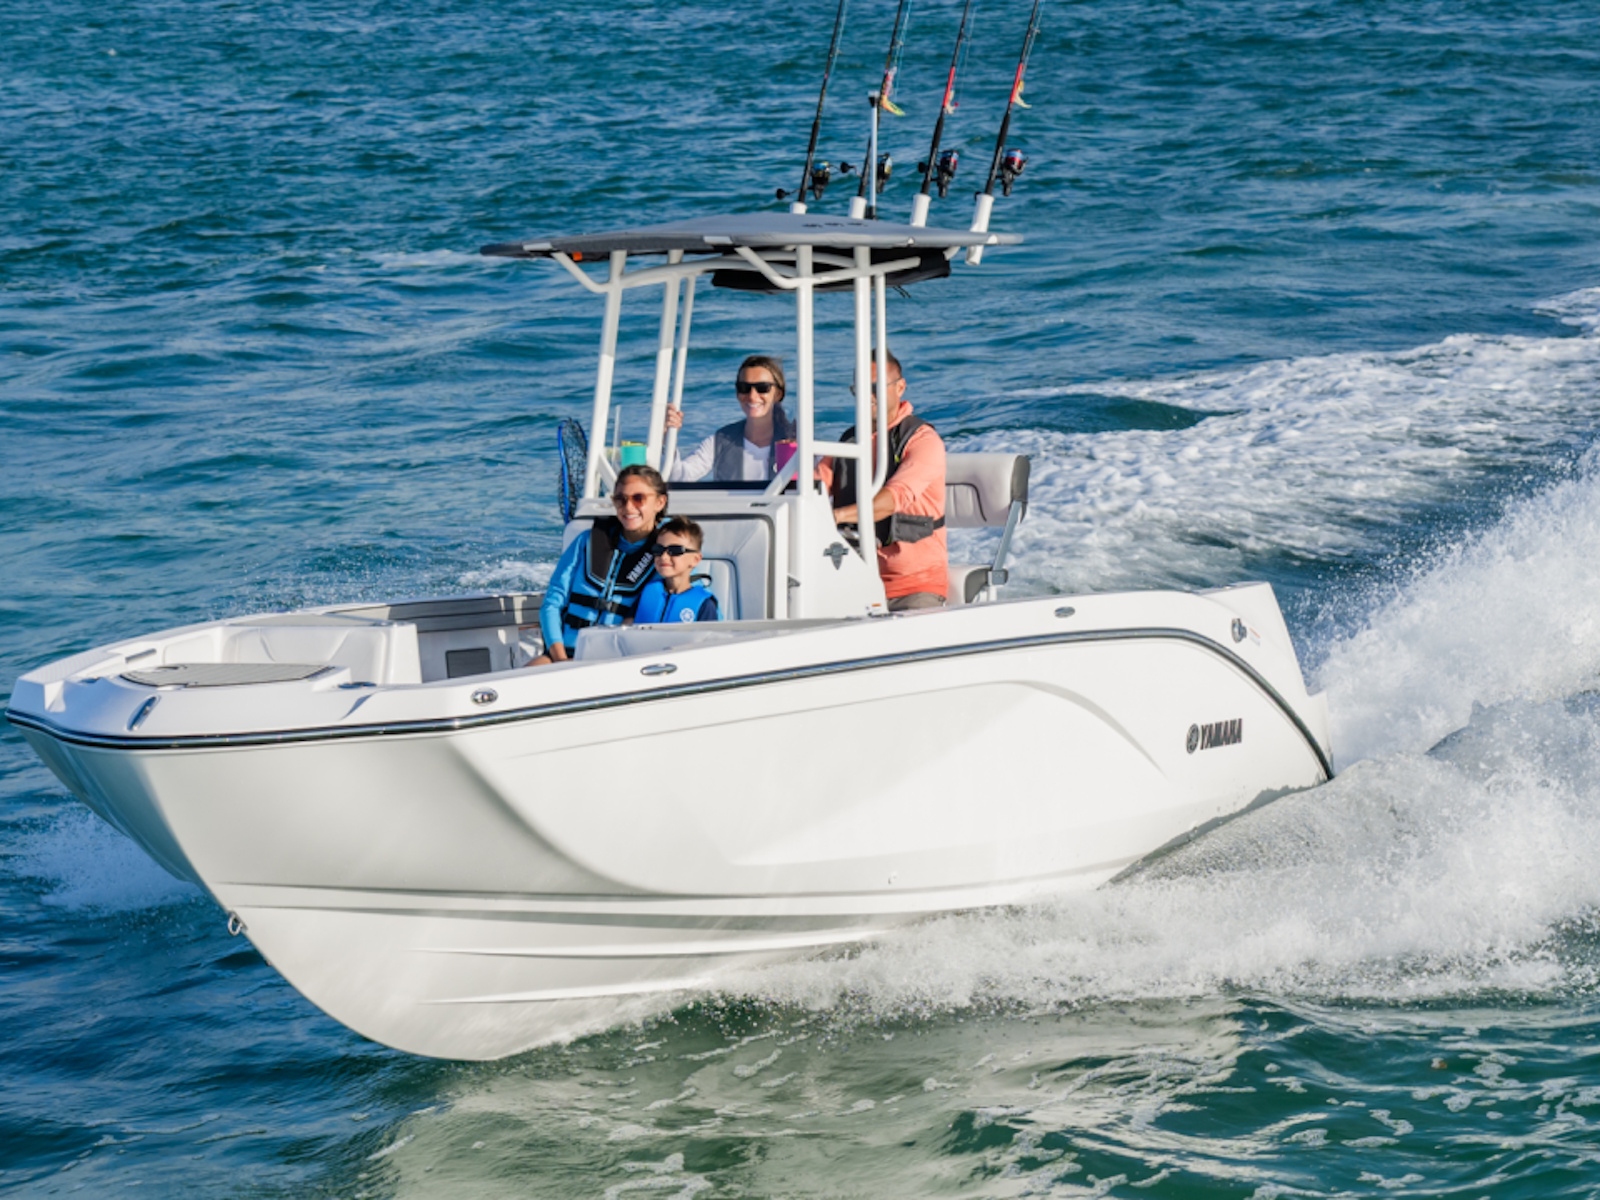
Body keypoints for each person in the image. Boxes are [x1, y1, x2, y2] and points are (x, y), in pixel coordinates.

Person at [816, 350, 948, 611]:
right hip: (854, 582)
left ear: (900, 387)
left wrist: (837, 516)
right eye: (860, 389)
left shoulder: (923, 441)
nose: (867, 396)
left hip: (914, 587)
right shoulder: (848, 443)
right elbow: (813, 486)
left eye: (875, 388)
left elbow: (895, 498)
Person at [534, 464, 668, 663]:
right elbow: (552, 604)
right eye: (620, 499)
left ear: (659, 502)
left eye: (638, 498)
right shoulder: (585, 542)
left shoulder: (666, 555)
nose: (628, 507)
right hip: (565, 655)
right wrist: (561, 660)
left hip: (618, 661)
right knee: (517, 680)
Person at [664, 355, 795, 482]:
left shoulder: (796, 441)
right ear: (737, 393)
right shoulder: (719, 442)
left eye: (762, 388)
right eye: (744, 388)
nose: (752, 396)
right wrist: (667, 439)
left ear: (778, 394)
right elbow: (679, 478)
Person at [633, 517, 720, 625]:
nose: (664, 556)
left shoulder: (704, 604)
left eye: (675, 550)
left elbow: (709, 635)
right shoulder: (647, 592)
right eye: (658, 549)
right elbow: (626, 628)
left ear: (695, 559)